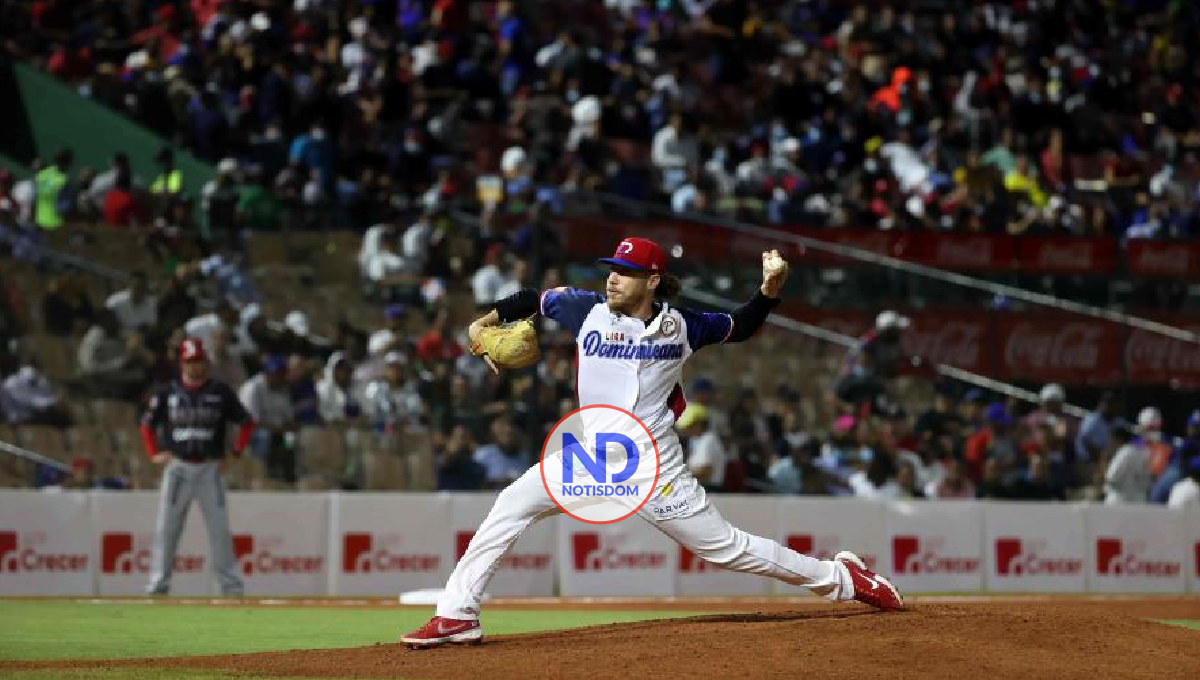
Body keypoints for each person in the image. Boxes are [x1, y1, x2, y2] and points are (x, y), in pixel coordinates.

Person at [401, 238, 902, 648]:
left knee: (724, 549)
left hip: (652, 466)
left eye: (626, 272)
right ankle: (457, 614)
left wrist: (769, 291)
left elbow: (741, 326)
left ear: (653, 280)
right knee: (512, 504)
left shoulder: (682, 326)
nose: (612, 278)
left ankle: (843, 580)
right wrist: (484, 323)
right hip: (592, 459)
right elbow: (534, 297)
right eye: (612, 270)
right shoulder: (585, 310)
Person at [139, 339, 254, 596]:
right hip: (178, 468)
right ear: (182, 363)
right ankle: (158, 585)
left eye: (199, 361)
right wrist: (153, 453)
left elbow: (247, 423)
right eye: (191, 362)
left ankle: (231, 587)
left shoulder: (220, 392)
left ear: (207, 363)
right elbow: (146, 425)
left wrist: (234, 453)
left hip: (209, 468)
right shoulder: (167, 392)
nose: (196, 367)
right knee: (167, 529)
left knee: (219, 531)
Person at [1104, 424, 1151, 505]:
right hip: (1139, 501)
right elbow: (1148, 480)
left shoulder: (1124, 452)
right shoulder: (1147, 453)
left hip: (1119, 500)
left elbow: (1112, 476)